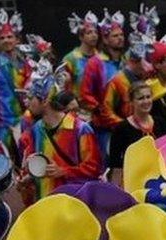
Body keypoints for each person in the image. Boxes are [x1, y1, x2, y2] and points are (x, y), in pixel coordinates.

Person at [18, 91, 100, 205]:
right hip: (45, 203)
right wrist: (28, 177)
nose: (26, 102)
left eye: (31, 97)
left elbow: (93, 168)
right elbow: (38, 165)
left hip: (74, 204)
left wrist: (63, 171)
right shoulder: (36, 129)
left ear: (45, 100)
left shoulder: (81, 130)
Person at [0, 9, 31, 157]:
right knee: (7, 160)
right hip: (3, 124)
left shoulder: (27, 65)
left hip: (26, 121)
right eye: (2, 38)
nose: (6, 40)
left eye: (10, 36)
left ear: (17, 39)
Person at [79, 10, 126, 155]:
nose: (120, 38)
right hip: (104, 127)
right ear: (105, 40)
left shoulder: (127, 61)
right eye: (115, 36)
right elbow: (84, 94)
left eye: (121, 35)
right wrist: (100, 109)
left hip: (127, 122)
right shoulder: (95, 63)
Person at [107, 81, 163, 174]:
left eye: (148, 97)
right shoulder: (121, 129)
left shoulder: (161, 122)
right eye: (141, 98)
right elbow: (116, 165)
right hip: (133, 177)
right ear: (131, 102)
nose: (146, 101)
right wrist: (116, 188)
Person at [95, 41, 147, 130]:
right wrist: (125, 125)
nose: (147, 66)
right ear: (134, 62)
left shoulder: (145, 77)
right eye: (144, 62)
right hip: (125, 131)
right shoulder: (117, 81)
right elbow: (105, 110)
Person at [61, 12, 105, 101]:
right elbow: (62, 86)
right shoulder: (70, 59)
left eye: (96, 32)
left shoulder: (102, 58)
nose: (94, 35)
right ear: (81, 37)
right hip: (78, 106)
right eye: (89, 33)